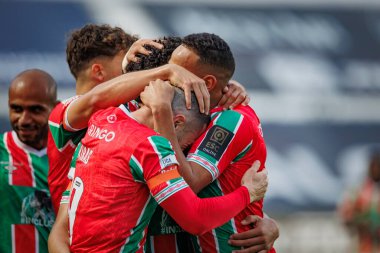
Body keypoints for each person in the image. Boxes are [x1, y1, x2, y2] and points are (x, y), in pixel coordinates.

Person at [70, 80, 268, 252]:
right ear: (176, 124)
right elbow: (196, 218)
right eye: (184, 146)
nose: (179, 155)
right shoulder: (149, 147)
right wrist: (248, 193)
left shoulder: (102, 119)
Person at [47, 25, 212, 214]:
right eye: (126, 61)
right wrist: (165, 71)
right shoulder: (64, 111)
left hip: (125, 231)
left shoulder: (133, 107)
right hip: (71, 232)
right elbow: (95, 99)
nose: (135, 67)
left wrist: (224, 86)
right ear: (99, 72)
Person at [143, 33, 278, 252]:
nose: (170, 76)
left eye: (178, 71)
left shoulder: (230, 118)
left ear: (207, 82)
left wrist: (162, 114)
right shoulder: (198, 112)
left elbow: (189, 183)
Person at [0, 69, 57, 253]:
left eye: (35, 110)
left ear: (55, 108)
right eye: (16, 109)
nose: (24, 120)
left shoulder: (73, 156)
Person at [339, 151, 380, 253]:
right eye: (373, 166)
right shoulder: (357, 191)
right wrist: (360, 223)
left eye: (378, 166)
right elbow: (345, 217)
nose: (376, 170)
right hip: (363, 245)